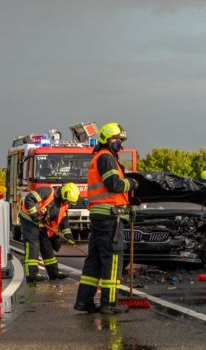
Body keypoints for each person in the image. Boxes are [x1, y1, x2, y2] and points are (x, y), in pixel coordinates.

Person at [74, 122, 139, 314]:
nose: (119, 143)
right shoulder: (107, 158)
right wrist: (133, 183)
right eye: (116, 139)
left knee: (94, 261)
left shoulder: (100, 158)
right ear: (107, 140)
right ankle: (109, 303)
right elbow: (115, 185)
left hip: (100, 216)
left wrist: (128, 206)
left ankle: (84, 301)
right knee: (112, 259)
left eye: (120, 140)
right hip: (110, 218)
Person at [19, 183, 79, 282]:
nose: (67, 203)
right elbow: (29, 200)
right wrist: (35, 216)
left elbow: (63, 221)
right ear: (63, 194)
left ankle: (53, 272)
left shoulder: (63, 204)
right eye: (67, 200)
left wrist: (68, 236)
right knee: (33, 244)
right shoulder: (47, 191)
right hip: (29, 218)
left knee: (46, 245)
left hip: (40, 222)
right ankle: (31, 274)